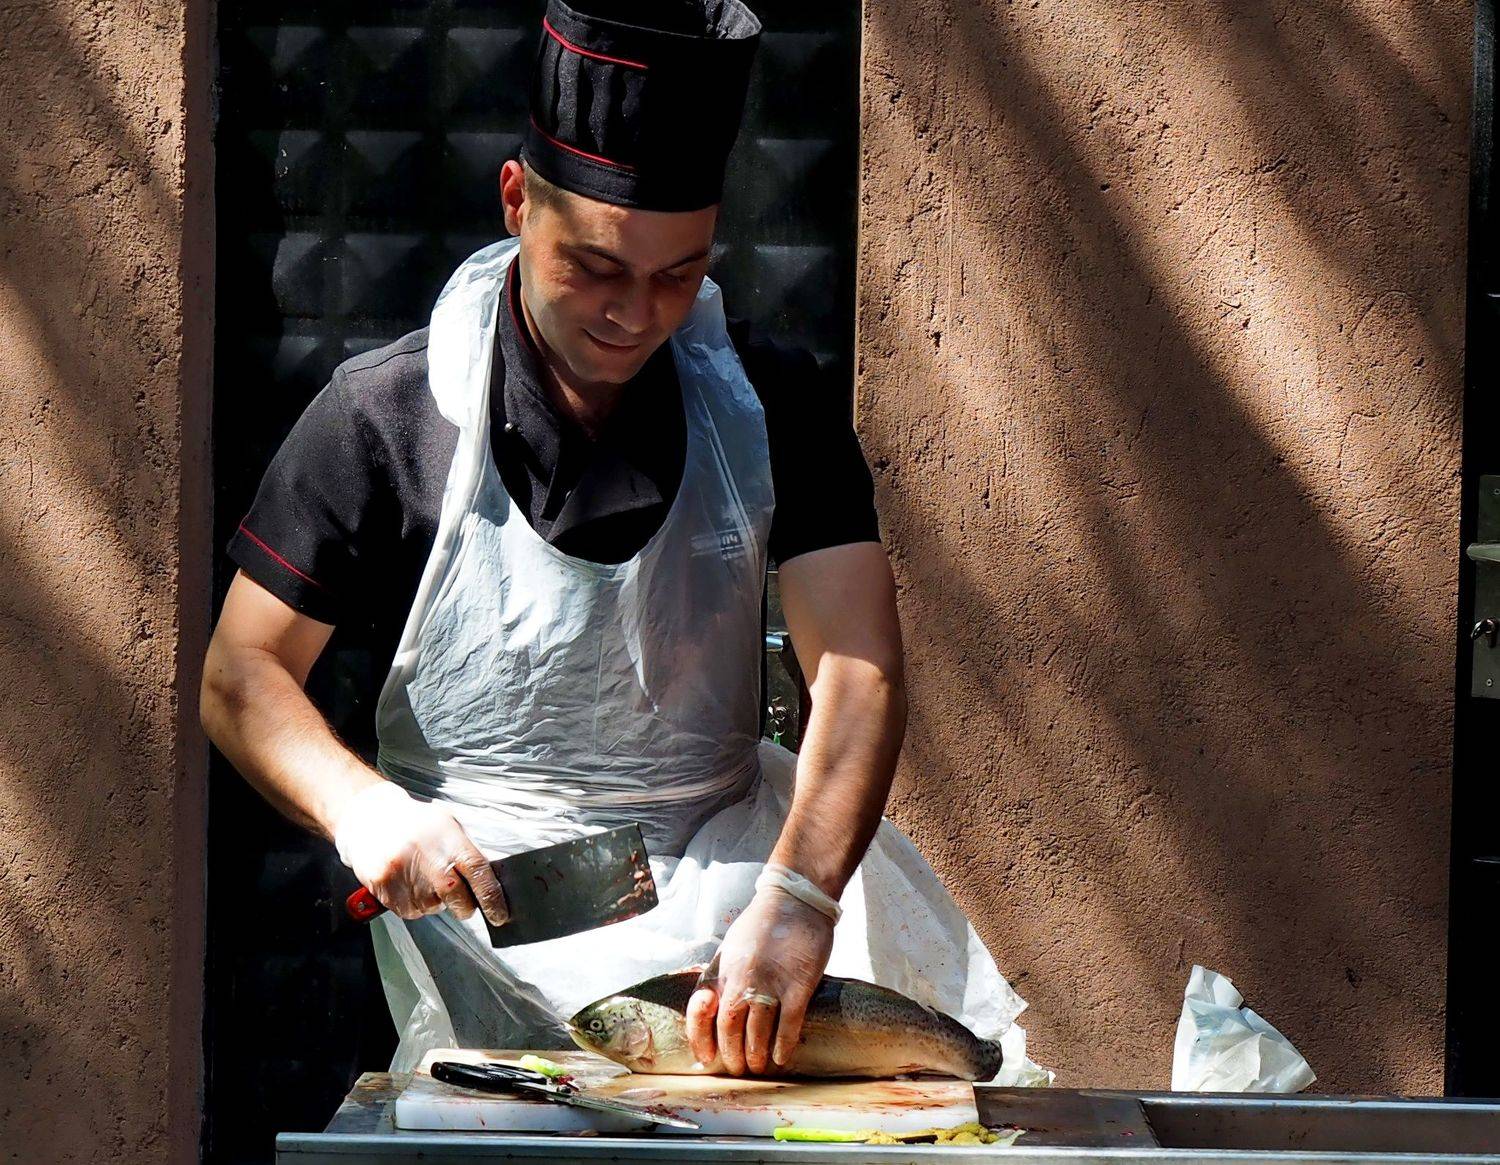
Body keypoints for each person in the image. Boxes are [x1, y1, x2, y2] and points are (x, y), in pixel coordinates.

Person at [202, 0, 1039, 1080]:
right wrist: (361, 807)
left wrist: (801, 896)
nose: (635, 314)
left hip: (740, 911)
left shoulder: (772, 402)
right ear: (516, 200)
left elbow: (858, 668)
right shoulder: (384, 415)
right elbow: (241, 672)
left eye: (677, 274)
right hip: (487, 933)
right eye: (595, 267)